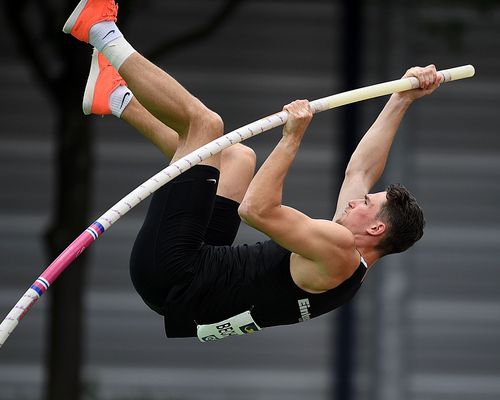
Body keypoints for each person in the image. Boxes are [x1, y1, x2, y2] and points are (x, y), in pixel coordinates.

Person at [63, 0, 441, 341]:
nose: (357, 199)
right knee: (235, 158)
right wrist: (400, 99)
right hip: (193, 275)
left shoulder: (340, 250)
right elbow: (360, 169)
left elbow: (255, 210)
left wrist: (291, 138)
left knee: (205, 125)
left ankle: (99, 30)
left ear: (376, 229)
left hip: (173, 273)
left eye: (366, 203)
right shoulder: (345, 259)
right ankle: (115, 97)